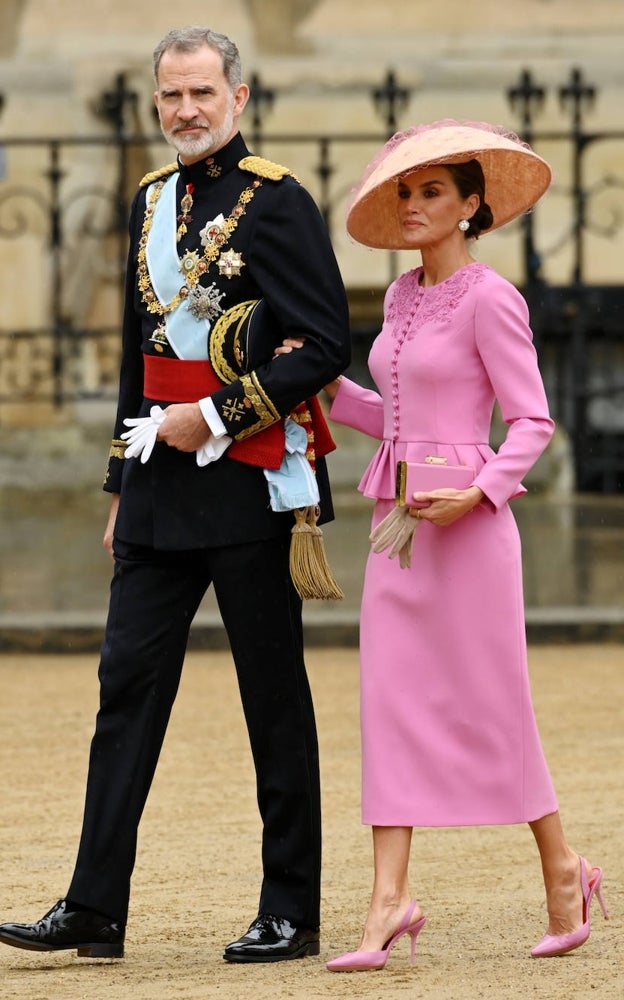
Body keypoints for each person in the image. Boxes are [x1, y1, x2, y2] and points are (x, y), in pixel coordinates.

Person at [0, 26, 350, 964]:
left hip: (246, 486)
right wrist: (121, 481)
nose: (185, 112)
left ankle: (291, 909)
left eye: (201, 93)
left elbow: (325, 343)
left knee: (271, 698)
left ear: (238, 95)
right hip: (158, 493)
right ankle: (94, 906)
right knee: (125, 689)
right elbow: (135, 362)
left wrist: (224, 416)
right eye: (171, 96)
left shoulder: (279, 204)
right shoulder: (150, 201)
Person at [279, 120, 608, 972]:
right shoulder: (395, 298)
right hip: (400, 531)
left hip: (472, 530)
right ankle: (389, 901)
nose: (416, 205)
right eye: (407, 191)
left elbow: (533, 419)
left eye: (434, 192)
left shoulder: (494, 297)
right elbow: (385, 415)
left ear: (471, 207)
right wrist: (317, 382)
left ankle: (563, 866)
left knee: (495, 701)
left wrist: (484, 490)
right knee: (391, 703)